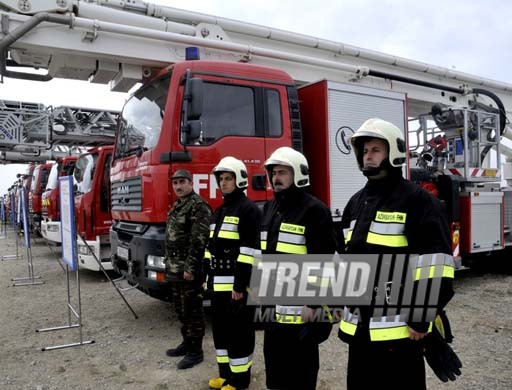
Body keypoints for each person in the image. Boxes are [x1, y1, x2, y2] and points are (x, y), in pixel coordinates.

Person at [337, 118, 455, 389]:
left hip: (400, 336)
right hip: (360, 334)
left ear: (395, 153)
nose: (368, 156)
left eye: (376, 150)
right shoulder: (355, 204)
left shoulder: (418, 201)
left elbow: (436, 266)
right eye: (365, 151)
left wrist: (422, 319)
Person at [261, 147, 336, 390]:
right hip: (274, 312)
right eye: (273, 173)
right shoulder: (270, 208)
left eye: (282, 172)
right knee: (276, 376)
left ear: (298, 174)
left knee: (300, 378)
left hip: (302, 313)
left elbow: (324, 262)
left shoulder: (315, 210)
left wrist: (315, 308)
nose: (276, 178)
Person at [205, 157, 261, 390]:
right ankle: (225, 374)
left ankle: (240, 381)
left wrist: (240, 286)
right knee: (221, 331)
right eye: (221, 179)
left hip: (237, 287)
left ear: (239, 180)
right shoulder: (218, 211)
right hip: (217, 285)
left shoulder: (248, 209)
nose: (224, 183)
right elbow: (210, 249)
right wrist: (206, 278)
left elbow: (250, 252)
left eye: (228, 178)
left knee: (239, 332)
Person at [164, 169, 211, 369]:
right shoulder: (178, 205)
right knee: (180, 309)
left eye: (182, 182)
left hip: (188, 270)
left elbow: (198, 241)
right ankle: (186, 343)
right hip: (175, 269)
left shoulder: (198, 207)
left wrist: (190, 267)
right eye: (175, 183)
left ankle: (196, 351)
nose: (178, 186)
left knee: (192, 310)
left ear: (191, 183)